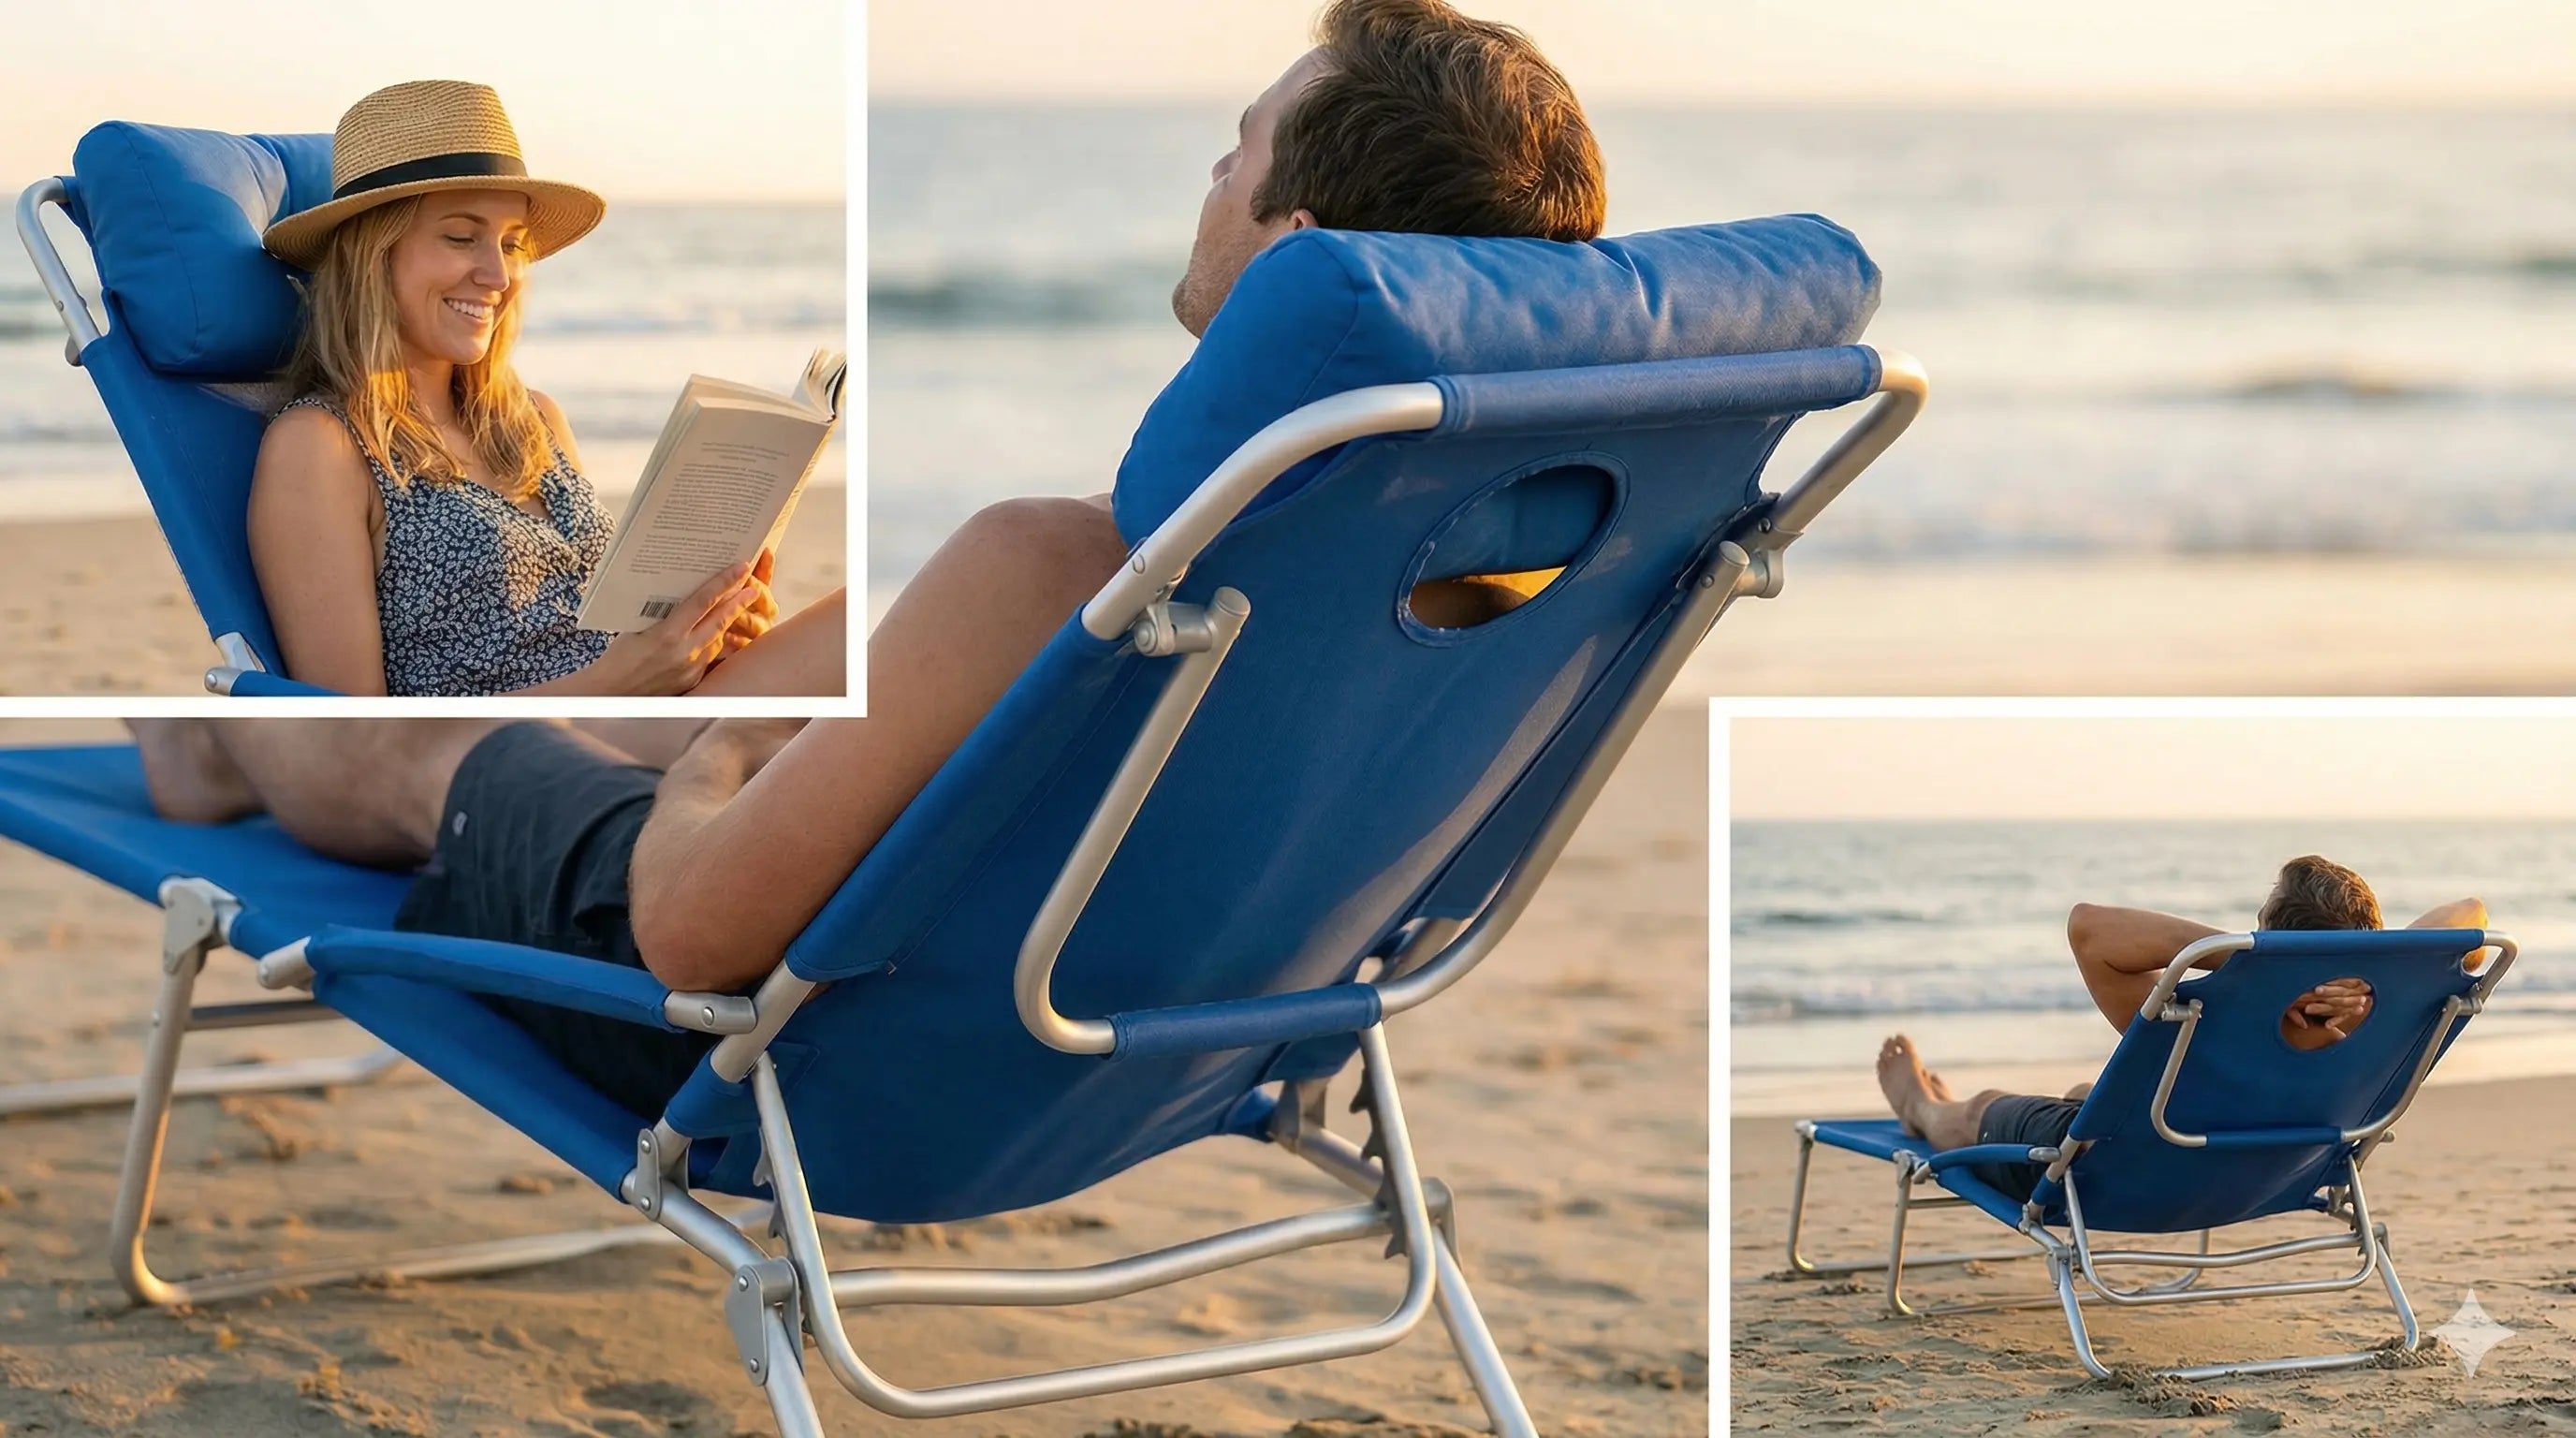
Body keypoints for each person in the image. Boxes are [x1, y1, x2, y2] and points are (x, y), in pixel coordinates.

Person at [134, 0, 1613, 1109]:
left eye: (1237, 150)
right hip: (1164, 1051)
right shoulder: (1521, 580)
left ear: (1293, 238)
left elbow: (692, 925)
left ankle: (206, 751)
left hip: (820, 1046)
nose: (1206, 171)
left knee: (443, 763)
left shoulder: (1059, 568)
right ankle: (217, 753)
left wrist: (734, 743)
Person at [250, 80, 846, 697]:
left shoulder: (533, 420)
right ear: (372, 256)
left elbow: (615, 635)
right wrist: (617, 683)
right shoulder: (321, 448)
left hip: (662, 711)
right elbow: (360, 742)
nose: (498, 274)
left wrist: (709, 632)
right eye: (461, 237)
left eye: (512, 244)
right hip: (542, 758)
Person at [1873, 855, 2489, 1202]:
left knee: (1981, 1107)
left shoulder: (2214, 1021)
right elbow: (2472, 913)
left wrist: (2244, 959)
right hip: (2274, 1180)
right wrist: (2370, 973)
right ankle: (2084, 1102)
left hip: (2126, 1181)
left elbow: (2088, 926)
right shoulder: (2388, 1022)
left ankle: (1921, 1105)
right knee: (2093, 1097)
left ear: (2270, 937)